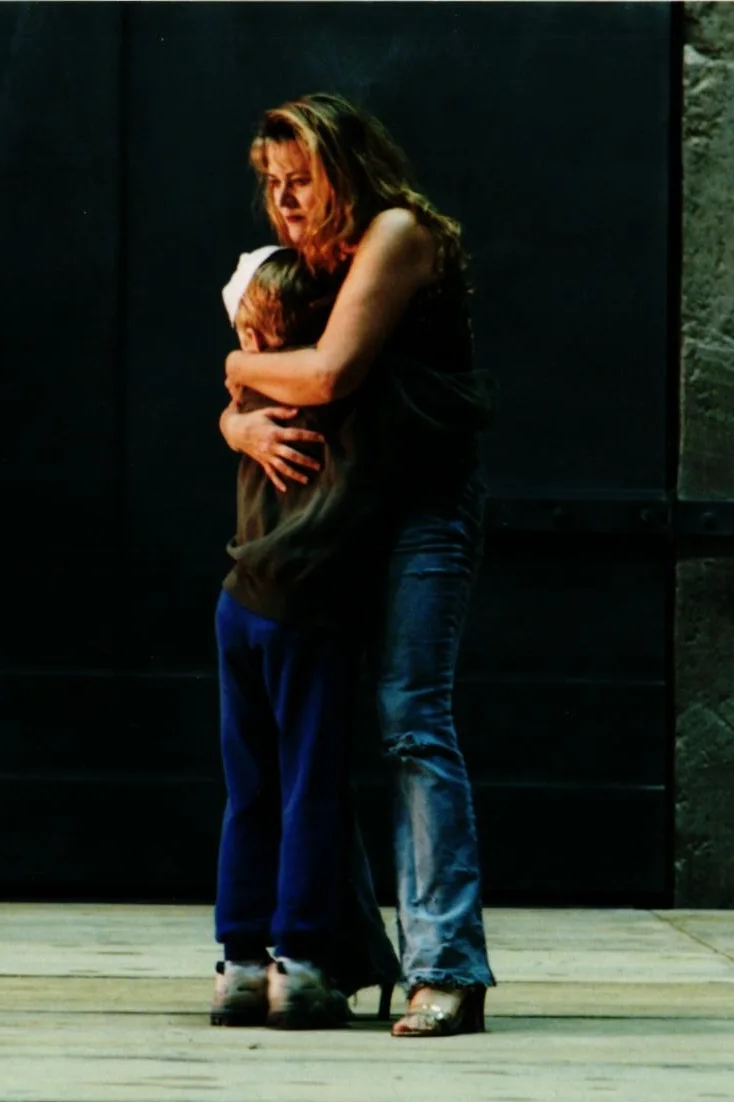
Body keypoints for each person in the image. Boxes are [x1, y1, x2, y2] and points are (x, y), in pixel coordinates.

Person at [217, 94, 496, 1037]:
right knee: (309, 738)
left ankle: (445, 968)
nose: (285, 200)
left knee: (410, 719)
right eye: (273, 183)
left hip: (416, 510)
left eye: (302, 180)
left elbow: (327, 372)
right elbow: (261, 395)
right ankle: (331, 958)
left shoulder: (397, 232)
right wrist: (237, 421)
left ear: (346, 170)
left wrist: (237, 371)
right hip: (335, 515)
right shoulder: (297, 268)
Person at [209, 246, 399, 1030]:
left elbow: (235, 375)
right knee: (309, 789)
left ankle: (239, 964)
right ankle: (301, 962)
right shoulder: (336, 390)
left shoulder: (248, 392)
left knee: (250, 791)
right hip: (307, 611)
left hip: (239, 603)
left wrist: (233, 414)